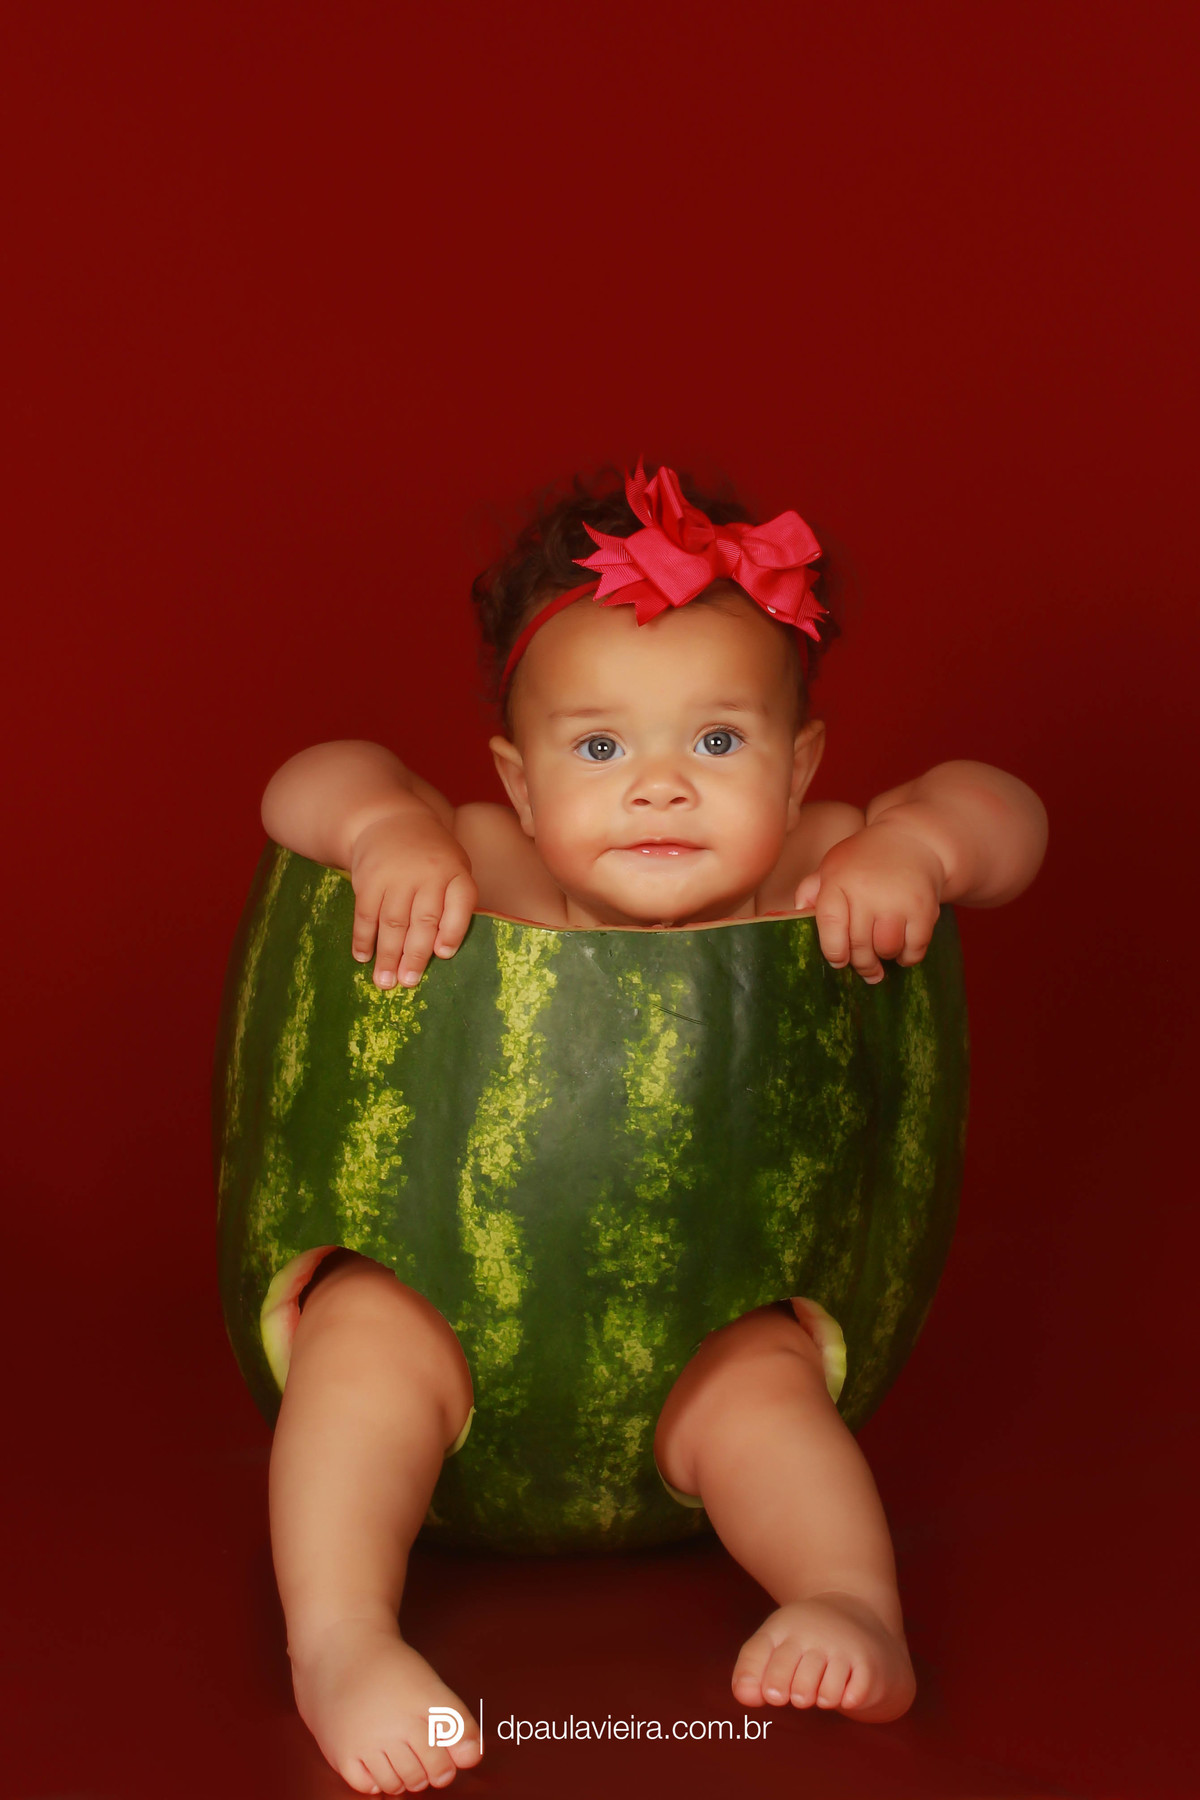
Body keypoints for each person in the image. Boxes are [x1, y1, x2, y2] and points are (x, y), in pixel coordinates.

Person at [258, 461, 1047, 1795]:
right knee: (357, 1340)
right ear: (515, 781)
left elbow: (1004, 811)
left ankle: (852, 1603)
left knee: (767, 1389)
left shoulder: (822, 869)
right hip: (448, 1336)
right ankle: (343, 1640)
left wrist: (922, 854)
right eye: (602, 747)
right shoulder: (476, 861)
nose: (661, 788)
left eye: (720, 743)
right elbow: (307, 780)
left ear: (801, 768)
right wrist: (383, 829)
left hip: (701, 1347)